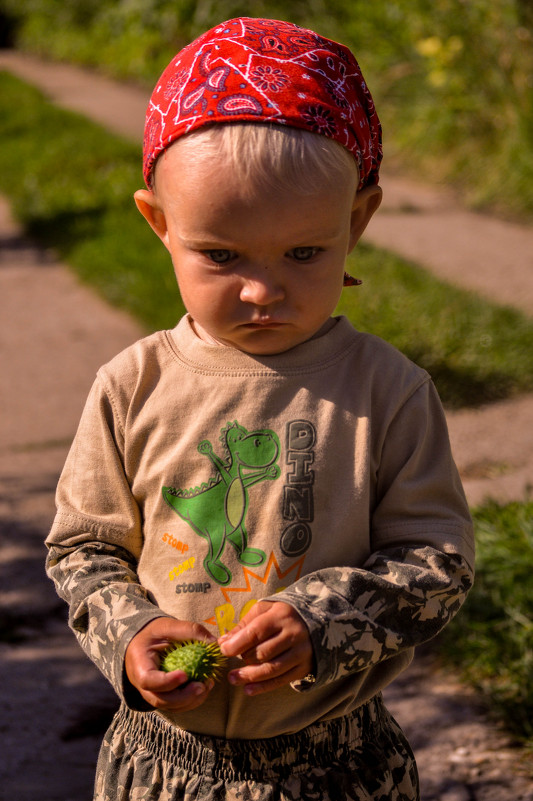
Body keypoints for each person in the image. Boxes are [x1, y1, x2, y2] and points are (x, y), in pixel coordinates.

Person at [46, 16, 474, 801]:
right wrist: (131, 631)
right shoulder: (132, 384)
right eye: (220, 254)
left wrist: (323, 619)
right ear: (159, 223)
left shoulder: (386, 390)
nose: (261, 289)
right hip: (159, 762)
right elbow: (82, 548)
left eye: (304, 253)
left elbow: (437, 561)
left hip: (340, 766)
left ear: (356, 222)